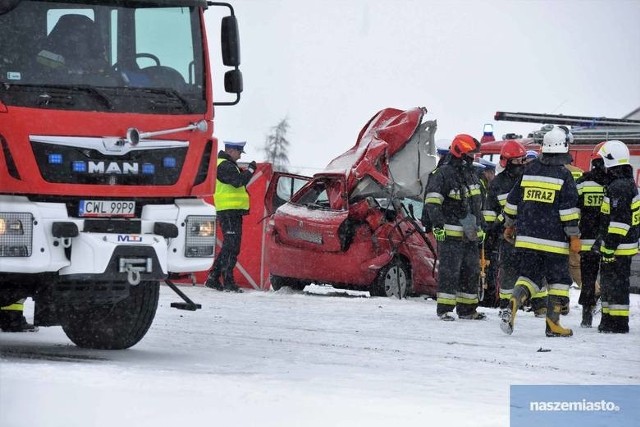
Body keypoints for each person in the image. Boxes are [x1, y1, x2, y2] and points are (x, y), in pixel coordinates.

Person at [500, 125, 580, 337]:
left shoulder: (529, 170)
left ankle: (513, 304)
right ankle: (553, 325)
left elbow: (512, 202)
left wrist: (509, 225)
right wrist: (574, 237)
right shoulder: (564, 175)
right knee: (559, 281)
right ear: (563, 149)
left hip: (526, 238)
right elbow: (568, 212)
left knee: (529, 277)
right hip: (554, 241)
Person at [423, 134, 487, 321]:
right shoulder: (442, 175)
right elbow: (432, 202)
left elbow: (477, 206)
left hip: (470, 235)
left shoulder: (472, 176)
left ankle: (468, 310)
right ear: (460, 153)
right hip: (450, 235)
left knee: (471, 271)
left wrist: (481, 227)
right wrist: (438, 225)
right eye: (469, 155)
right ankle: (445, 309)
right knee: (450, 272)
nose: (472, 158)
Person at [596, 140, 638, 334]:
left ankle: (617, 323)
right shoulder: (624, 183)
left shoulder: (619, 187)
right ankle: (608, 320)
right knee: (609, 283)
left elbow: (620, 222)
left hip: (618, 247)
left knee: (616, 284)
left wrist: (609, 247)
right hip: (621, 245)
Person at [204, 141, 257, 293]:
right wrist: (251, 170)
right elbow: (238, 182)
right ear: (231, 150)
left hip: (231, 211)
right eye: (239, 152)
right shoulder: (224, 165)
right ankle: (228, 281)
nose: (240, 156)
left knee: (230, 246)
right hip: (228, 210)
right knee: (232, 247)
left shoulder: (227, 164)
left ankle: (214, 278)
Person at [482, 140, 527, 312]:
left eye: (523, 160)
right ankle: (507, 305)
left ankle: (538, 305)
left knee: (532, 271)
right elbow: (489, 214)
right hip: (506, 236)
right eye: (518, 161)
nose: (522, 164)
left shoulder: (529, 179)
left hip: (529, 233)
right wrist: (492, 230)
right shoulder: (497, 184)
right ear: (506, 162)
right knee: (508, 272)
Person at [576, 141, 609, 327]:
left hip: (586, 241)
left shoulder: (582, 183)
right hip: (607, 241)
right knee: (609, 278)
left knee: (588, 280)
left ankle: (586, 316)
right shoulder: (612, 184)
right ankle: (608, 315)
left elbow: (573, 208)